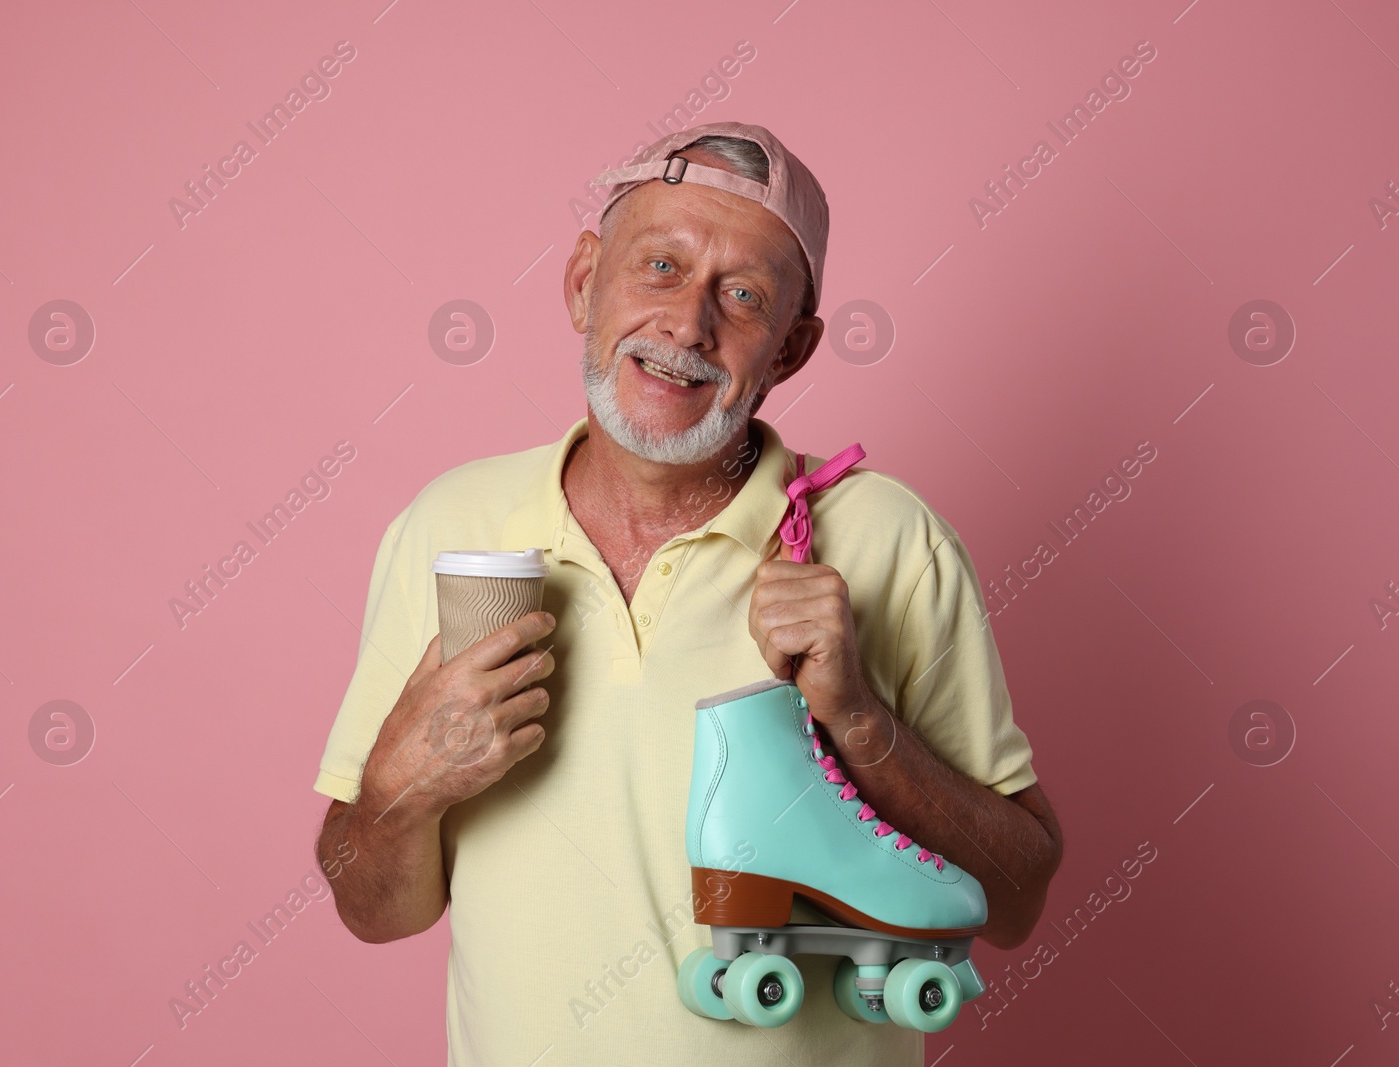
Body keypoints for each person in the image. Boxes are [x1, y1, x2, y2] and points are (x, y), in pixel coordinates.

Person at [311, 121, 1063, 1066]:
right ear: (585, 281)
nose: (686, 325)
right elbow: (371, 911)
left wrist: (861, 720)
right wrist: (398, 788)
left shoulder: (889, 540)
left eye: (741, 296)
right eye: (659, 266)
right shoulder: (451, 527)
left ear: (791, 349)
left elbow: (1018, 898)